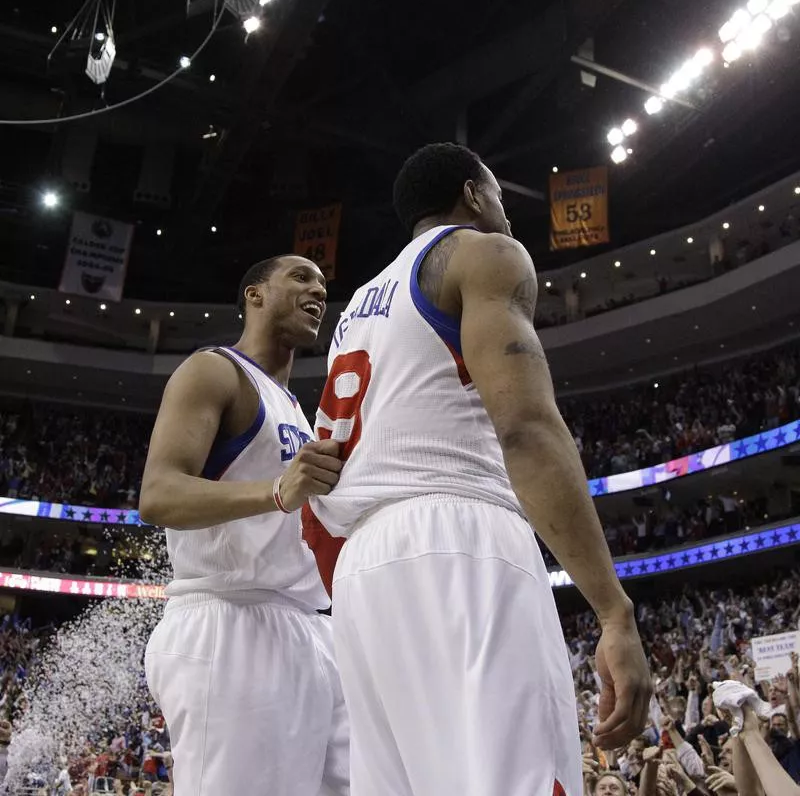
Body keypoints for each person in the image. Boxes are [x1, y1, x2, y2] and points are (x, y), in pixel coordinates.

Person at [302, 142, 651, 795]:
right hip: (458, 539)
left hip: (362, 575)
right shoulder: (485, 254)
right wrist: (614, 612)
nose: (508, 215)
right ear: (471, 193)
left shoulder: (354, 312)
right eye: (499, 194)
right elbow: (526, 428)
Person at [140, 255, 349, 796]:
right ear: (254, 295)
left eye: (323, 285)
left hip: (307, 626)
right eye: (301, 278)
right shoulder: (215, 369)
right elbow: (158, 493)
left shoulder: (298, 409)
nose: (318, 290)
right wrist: (278, 492)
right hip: (228, 622)